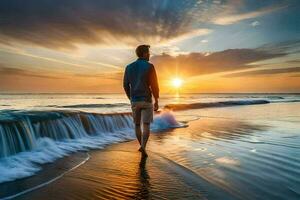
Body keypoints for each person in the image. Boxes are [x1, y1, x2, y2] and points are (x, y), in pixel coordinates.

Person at [123, 44, 159, 157]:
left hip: (135, 100)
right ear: (144, 53)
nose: (149, 55)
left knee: (137, 125)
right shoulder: (150, 66)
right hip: (147, 100)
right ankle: (143, 147)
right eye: (148, 52)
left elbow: (125, 85)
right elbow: (154, 85)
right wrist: (156, 99)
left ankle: (141, 147)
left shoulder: (128, 67)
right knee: (146, 125)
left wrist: (130, 97)